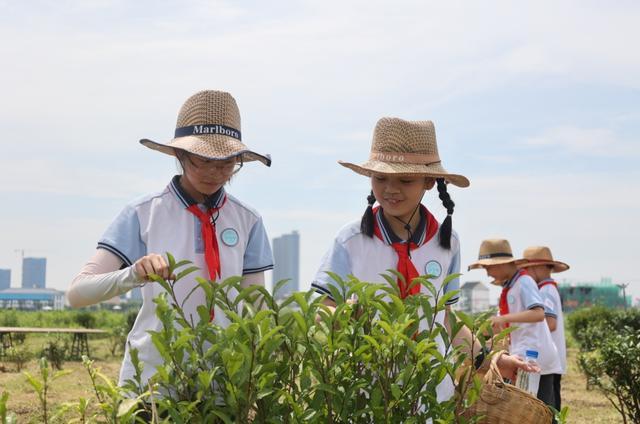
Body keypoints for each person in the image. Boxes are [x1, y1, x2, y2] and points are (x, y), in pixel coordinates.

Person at [312, 117, 533, 402]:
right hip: (365, 389)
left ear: (429, 182)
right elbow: (324, 308)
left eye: (405, 180)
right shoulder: (351, 240)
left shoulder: (446, 244)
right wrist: (341, 316)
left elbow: (445, 318)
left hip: (428, 389)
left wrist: (487, 359)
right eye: (380, 179)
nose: (391, 189)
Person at [67, 90, 274, 388]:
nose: (215, 173)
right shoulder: (144, 214)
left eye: (227, 163)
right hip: (153, 384)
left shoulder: (248, 220)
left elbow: (258, 311)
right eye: (202, 160)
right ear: (180, 154)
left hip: (224, 386)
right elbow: (77, 294)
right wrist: (133, 274)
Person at [468, 238, 562, 408]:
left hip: (536, 355)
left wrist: (504, 319)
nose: (488, 273)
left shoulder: (524, 282)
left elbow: (539, 313)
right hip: (526, 353)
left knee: (540, 409)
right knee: (527, 407)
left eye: (488, 267)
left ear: (501, 263)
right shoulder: (511, 288)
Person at [519, 246, 569, 412]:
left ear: (536, 267)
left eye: (526, 270)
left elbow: (550, 323)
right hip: (552, 359)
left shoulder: (545, 291)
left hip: (548, 360)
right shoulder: (549, 288)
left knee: (548, 406)